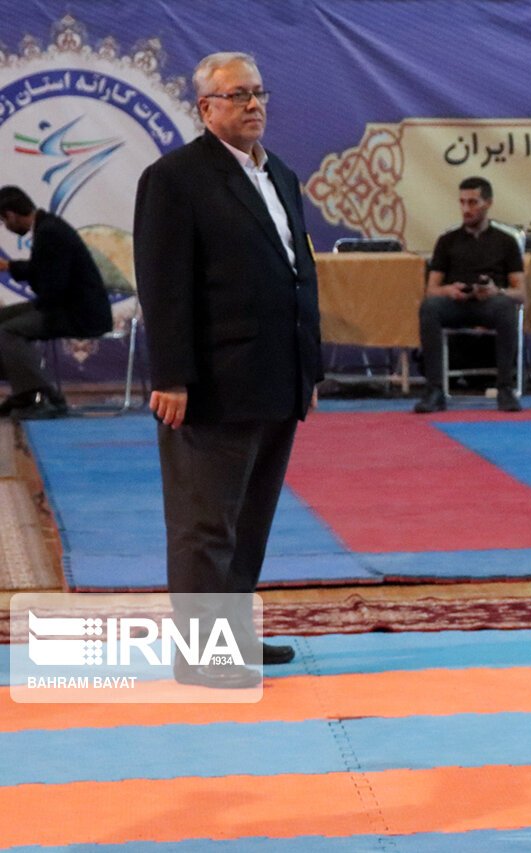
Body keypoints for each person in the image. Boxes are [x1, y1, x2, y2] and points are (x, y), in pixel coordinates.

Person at [134, 52, 322, 689]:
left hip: (276, 375)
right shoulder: (175, 178)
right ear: (205, 108)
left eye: (258, 92)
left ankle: (234, 636)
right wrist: (170, 377)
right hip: (211, 382)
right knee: (205, 524)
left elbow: (299, 276)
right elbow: (163, 284)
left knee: (249, 520)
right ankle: (201, 655)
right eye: (237, 95)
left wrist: (309, 369)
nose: (253, 104)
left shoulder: (281, 174)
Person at [414, 176, 525, 414]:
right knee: (429, 307)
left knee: (506, 306)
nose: (466, 209)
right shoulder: (447, 241)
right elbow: (431, 289)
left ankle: (505, 389)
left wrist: (497, 291)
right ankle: (434, 390)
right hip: (457, 304)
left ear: (488, 203)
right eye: (462, 202)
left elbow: (521, 294)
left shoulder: (506, 242)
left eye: (473, 202)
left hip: (489, 304)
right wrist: (449, 290)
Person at [0, 186, 111, 419]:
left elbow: (51, 287)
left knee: (8, 331)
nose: (6, 226)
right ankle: (25, 391)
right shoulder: (47, 226)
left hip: (80, 314)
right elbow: (46, 272)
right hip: (67, 305)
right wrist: (10, 266)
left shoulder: (49, 232)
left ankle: (42, 395)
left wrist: (19, 273)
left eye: (3, 221)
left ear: (10, 215)